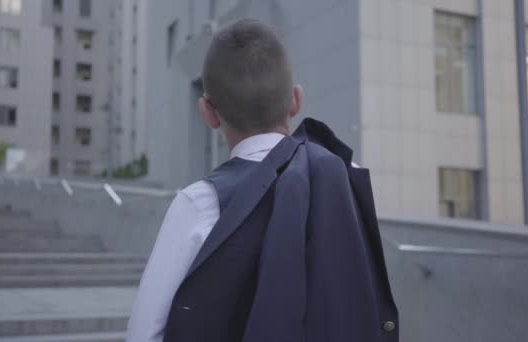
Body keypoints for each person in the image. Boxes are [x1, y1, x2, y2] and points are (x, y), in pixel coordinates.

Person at [127, 18, 397, 342]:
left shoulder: (199, 204)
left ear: (208, 112)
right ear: (295, 100)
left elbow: (145, 334)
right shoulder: (343, 174)